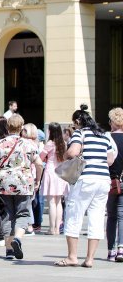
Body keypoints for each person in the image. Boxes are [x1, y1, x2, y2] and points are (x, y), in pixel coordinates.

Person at [56, 104, 117, 268]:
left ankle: (72, 257)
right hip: (103, 180)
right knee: (97, 218)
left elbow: (73, 152)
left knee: (74, 215)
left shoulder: (80, 133)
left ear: (77, 121)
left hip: (86, 179)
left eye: (73, 123)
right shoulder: (104, 135)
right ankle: (90, 259)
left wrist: (66, 154)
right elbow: (110, 160)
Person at [0, 114, 43, 261]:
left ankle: (9, 250)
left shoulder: (0, 143)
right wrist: (38, 179)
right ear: (21, 127)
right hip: (24, 183)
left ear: (7, 126)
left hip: (4, 183)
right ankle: (17, 238)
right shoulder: (30, 144)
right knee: (23, 213)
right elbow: (39, 164)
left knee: (7, 215)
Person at [40, 122, 68, 236]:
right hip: (60, 173)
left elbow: (40, 157)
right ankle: (57, 228)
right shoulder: (64, 144)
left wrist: (47, 159)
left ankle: (51, 229)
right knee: (58, 203)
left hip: (51, 172)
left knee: (51, 202)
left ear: (50, 131)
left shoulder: (50, 143)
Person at [107, 108, 123, 262]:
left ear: (112, 121)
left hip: (110, 181)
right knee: (122, 216)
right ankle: (121, 248)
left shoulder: (106, 138)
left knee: (111, 217)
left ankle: (111, 250)